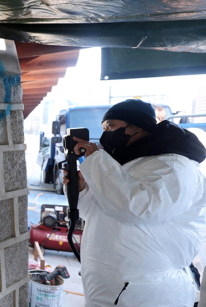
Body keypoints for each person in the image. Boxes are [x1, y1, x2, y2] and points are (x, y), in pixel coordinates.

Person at [63, 99, 206, 307]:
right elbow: (99, 212)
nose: (106, 133)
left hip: (147, 293)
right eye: (104, 128)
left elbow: (139, 209)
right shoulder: (131, 163)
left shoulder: (175, 166)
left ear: (137, 126)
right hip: (115, 289)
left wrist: (96, 162)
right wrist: (83, 190)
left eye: (111, 126)